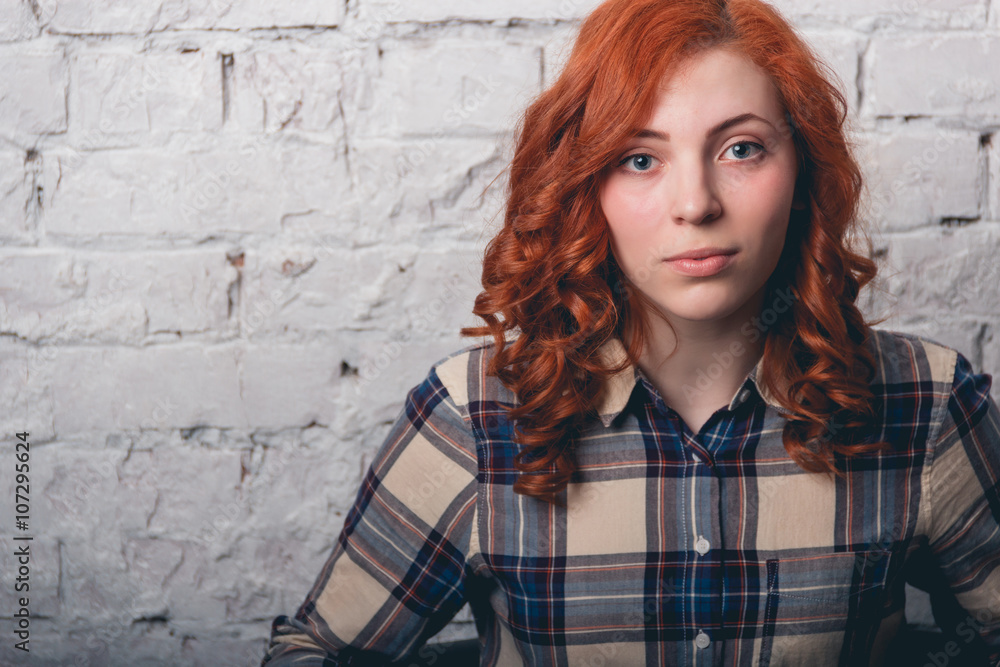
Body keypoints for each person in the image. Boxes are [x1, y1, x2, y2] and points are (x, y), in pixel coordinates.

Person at [261, 0, 1000, 664]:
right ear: (588, 186)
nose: (695, 203)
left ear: (802, 169)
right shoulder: (475, 418)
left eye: (741, 148)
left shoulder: (925, 405)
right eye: (639, 159)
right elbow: (314, 651)